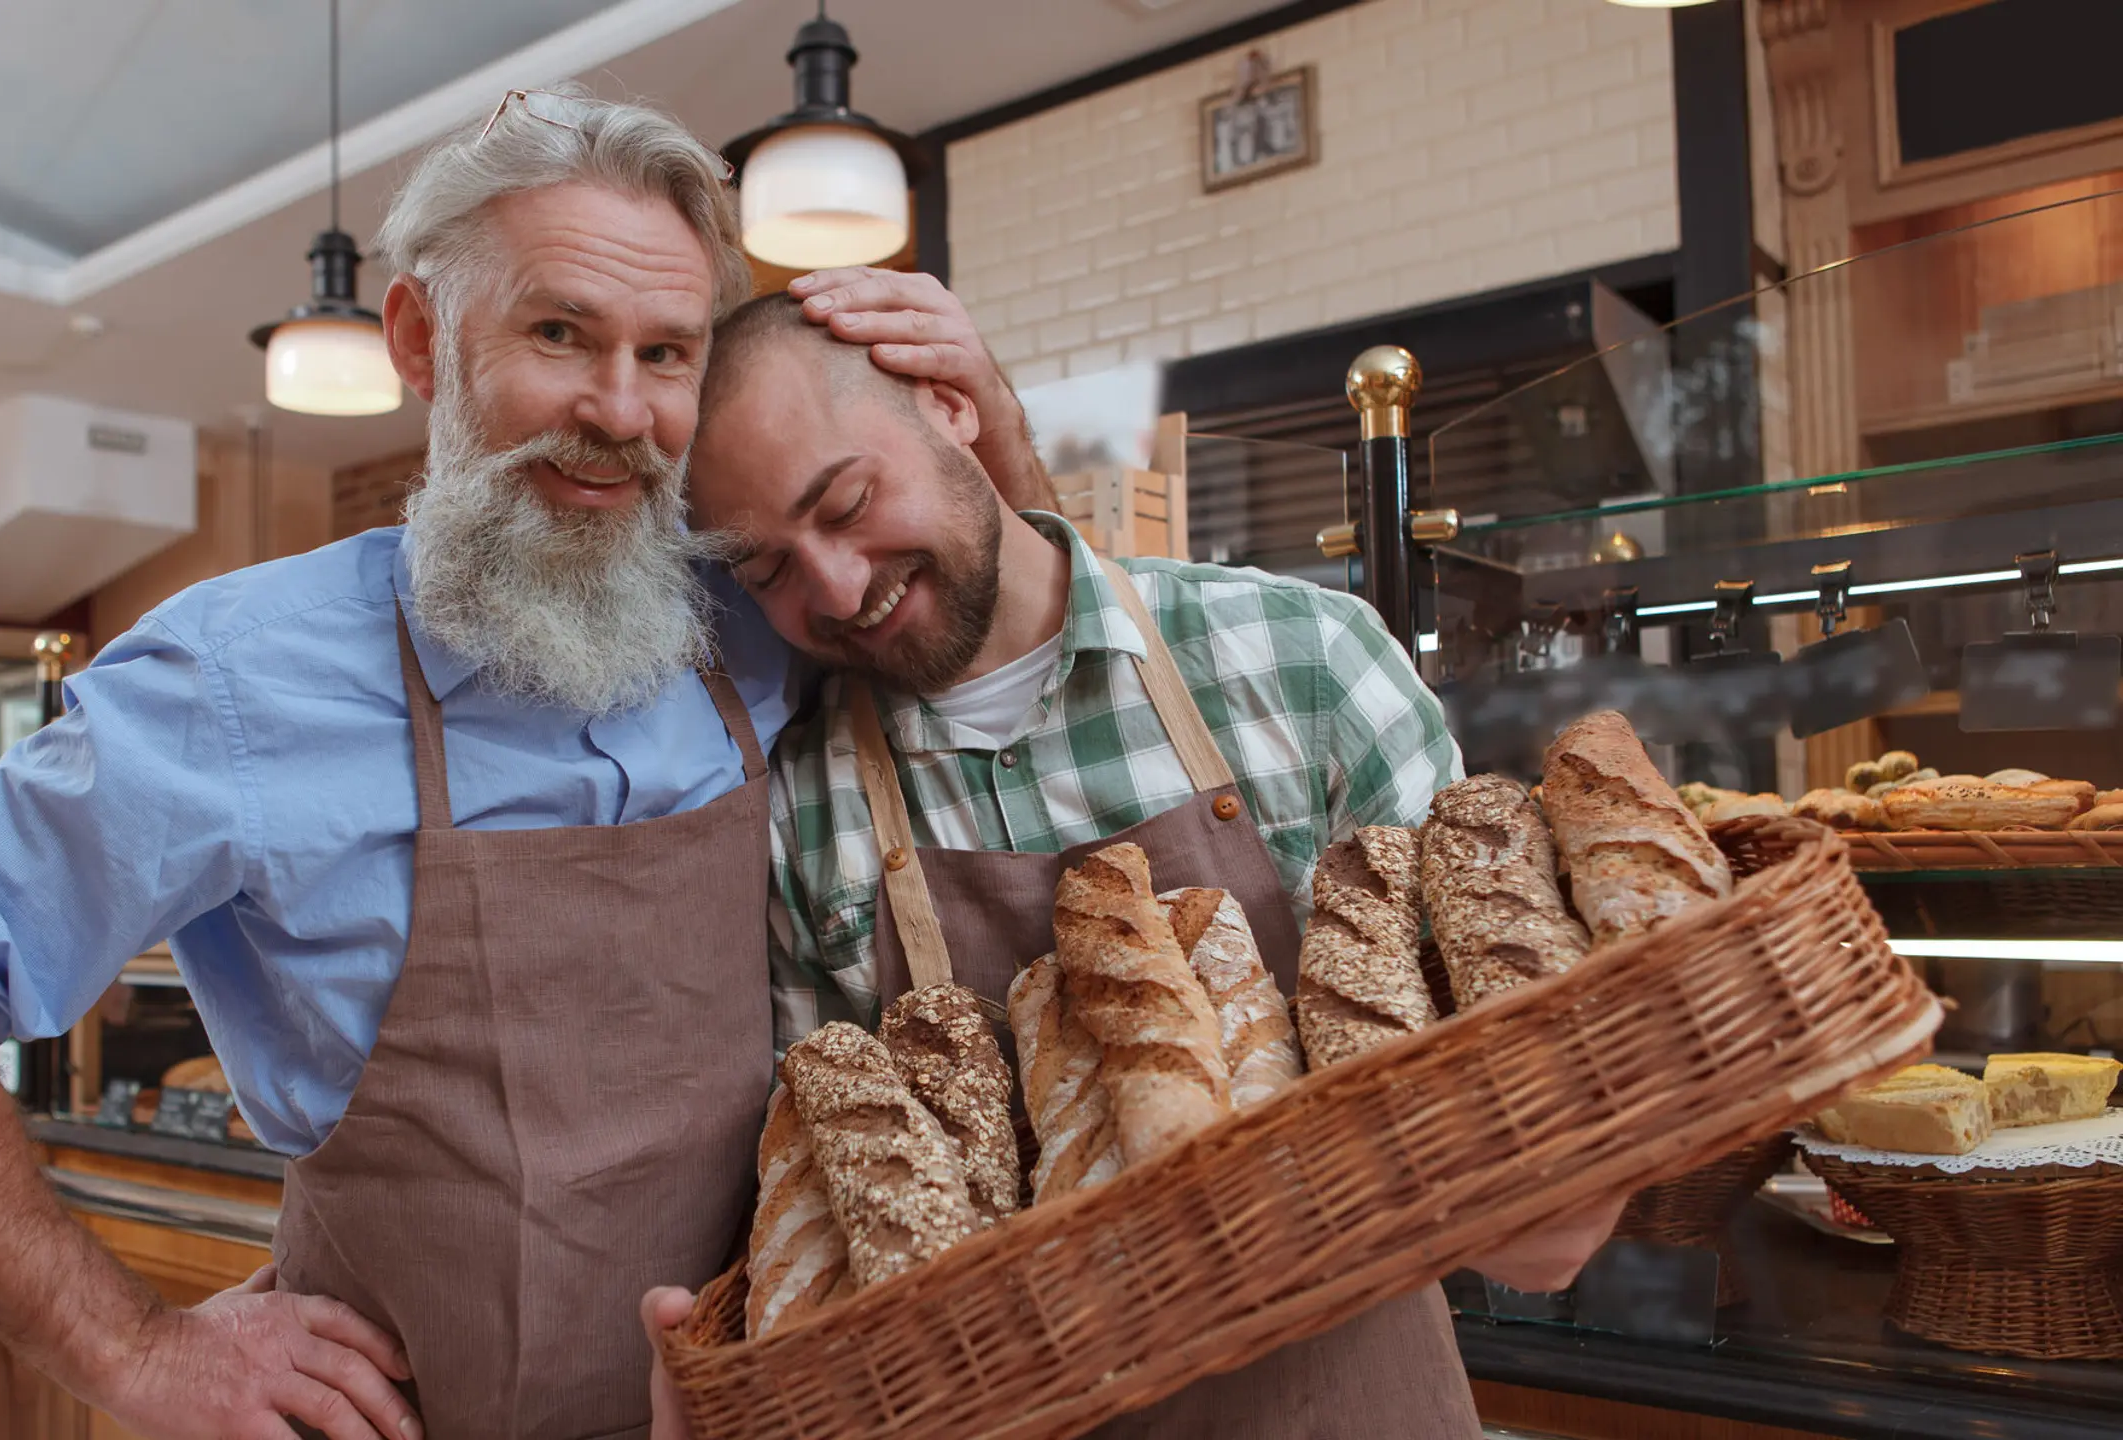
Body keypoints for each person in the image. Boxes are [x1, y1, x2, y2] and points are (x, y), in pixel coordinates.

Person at [0, 91, 1037, 1440]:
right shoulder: (235, 682)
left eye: (667, 355)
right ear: (422, 339)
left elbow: (1017, 655)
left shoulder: (746, 617)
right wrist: (129, 1349)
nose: (620, 409)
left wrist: (987, 425)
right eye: (560, 333)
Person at [657, 296, 1628, 1436]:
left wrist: (1554, 1166)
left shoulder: (1301, 661)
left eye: (850, 504)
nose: (831, 586)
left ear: (953, 407)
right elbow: (840, 1227)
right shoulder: (798, 812)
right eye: (768, 569)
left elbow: (1524, 1113)